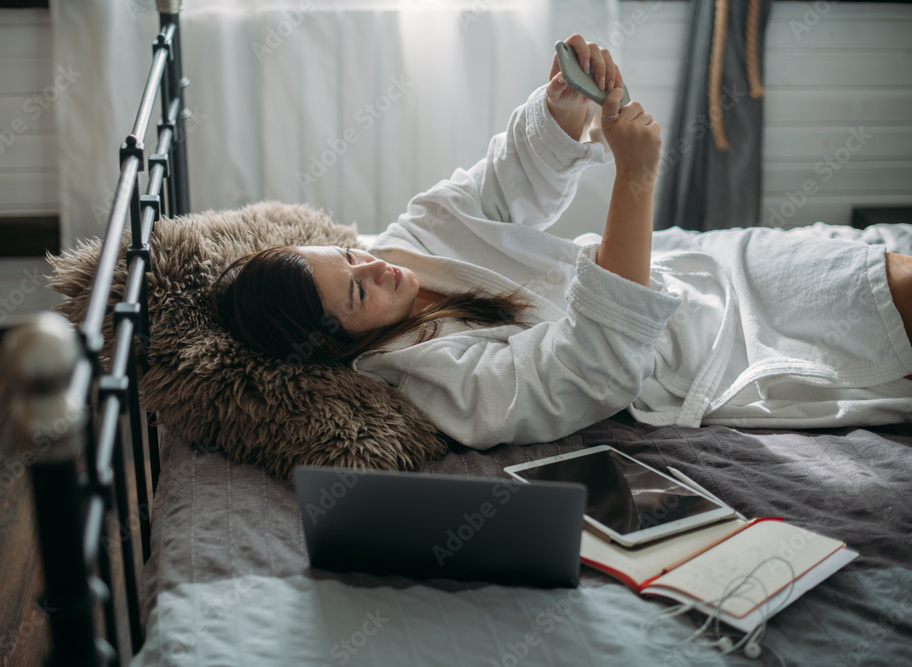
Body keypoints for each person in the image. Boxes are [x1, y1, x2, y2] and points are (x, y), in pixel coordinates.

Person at [213, 34, 912, 448]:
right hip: (699, 351)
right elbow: (588, 370)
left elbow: (502, 185)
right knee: (887, 303)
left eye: (348, 256)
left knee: (872, 270)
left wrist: (562, 107)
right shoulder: (434, 384)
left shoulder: (404, 243)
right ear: (338, 345)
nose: (376, 267)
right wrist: (633, 178)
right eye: (357, 292)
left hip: (708, 269)